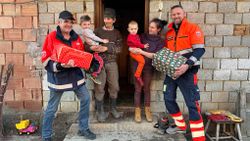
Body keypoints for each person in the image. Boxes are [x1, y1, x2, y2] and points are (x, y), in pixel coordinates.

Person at [131, 5, 206, 141]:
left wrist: (187, 65)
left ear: (184, 13)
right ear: (171, 15)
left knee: (192, 104)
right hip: (172, 73)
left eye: (178, 13)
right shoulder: (169, 33)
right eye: (174, 14)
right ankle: (180, 126)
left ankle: (199, 138)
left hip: (188, 72)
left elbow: (200, 50)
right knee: (168, 99)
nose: (176, 16)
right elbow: (164, 54)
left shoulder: (192, 28)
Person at [41, 10, 96, 141]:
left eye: (70, 22)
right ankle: (46, 135)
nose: (68, 24)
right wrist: (60, 66)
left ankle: (83, 128)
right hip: (58, 78)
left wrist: (90, 60)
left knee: (86, 99)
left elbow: (82, 55)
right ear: (59, 22)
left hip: (75, 77)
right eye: (65, 21)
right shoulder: (51, 37)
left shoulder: (76, 37)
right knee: (52, 108)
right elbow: (45, 59)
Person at [84, 8, 122, 122]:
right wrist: (91, 47)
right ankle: (100, 111)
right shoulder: (97, 32)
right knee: (99, 87)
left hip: (112, 63)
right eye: (105, 18)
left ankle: (113, 109)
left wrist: (106, 47)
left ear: (114, 20)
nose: (107, 20)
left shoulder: (117, 33)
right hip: (98, 63)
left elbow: (119, 48)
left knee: (114, 86)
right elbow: (86, 46)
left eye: (109, 19)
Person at [130, 18, 167, 123]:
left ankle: (147, 110)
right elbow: (133, 44)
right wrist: (132, 49)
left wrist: (142, 51)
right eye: (149, 27)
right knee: (137, 89)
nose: (149, 29)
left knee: (146, 89)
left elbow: (156, 56)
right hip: (137, 66)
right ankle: (137, 111)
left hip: (149, 67)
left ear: (158, 29)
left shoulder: (161, 42)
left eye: (152, 27)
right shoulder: (142, 36)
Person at [80, 15, 108, 84]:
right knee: (100, 61)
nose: (86, 26)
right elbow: (94, 37)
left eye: (88, 24)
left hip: (95, 47)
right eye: (84, 24)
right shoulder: (86, 31)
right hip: (94, 48)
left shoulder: (87, 31)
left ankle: (90, 72)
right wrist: (102, 40)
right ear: (80, 25)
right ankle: (94, 74)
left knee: (95, 61)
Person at [127, 20, 149, 86]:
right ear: (128, 30)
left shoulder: (137, 35)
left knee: (142, 61)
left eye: (135, 29)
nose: (133, 30)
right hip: (133, 52)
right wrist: (143, 46)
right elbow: (136, 43)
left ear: (137, 29)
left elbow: (138, 43)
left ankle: (138, 74)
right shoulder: (130, 37)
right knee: (142, 61)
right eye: (131, 29)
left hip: (137, 51)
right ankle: (137, 75)